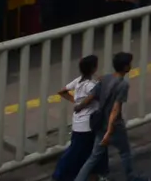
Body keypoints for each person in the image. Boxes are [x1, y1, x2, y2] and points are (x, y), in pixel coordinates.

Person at [72, 52, 141, 181]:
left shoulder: (106, 78)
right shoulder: (123, 85)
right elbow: (115, 109)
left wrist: (80, 106)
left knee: (94, 157)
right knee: (125, 152)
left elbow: (92, 95)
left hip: (100, 123)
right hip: (114, 126)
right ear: (126, 67)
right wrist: (109, 132)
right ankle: (131, 177)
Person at [53, 55, 105, 181]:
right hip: (88, 124)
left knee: (82, 152)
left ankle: (92, 176)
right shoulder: (91, 85)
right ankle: (60, 175)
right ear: (93, 68)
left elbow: (62, 91)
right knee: (81, 152)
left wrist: (75, 102)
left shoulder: (78, 81)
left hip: (78, 123)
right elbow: (97, 97)